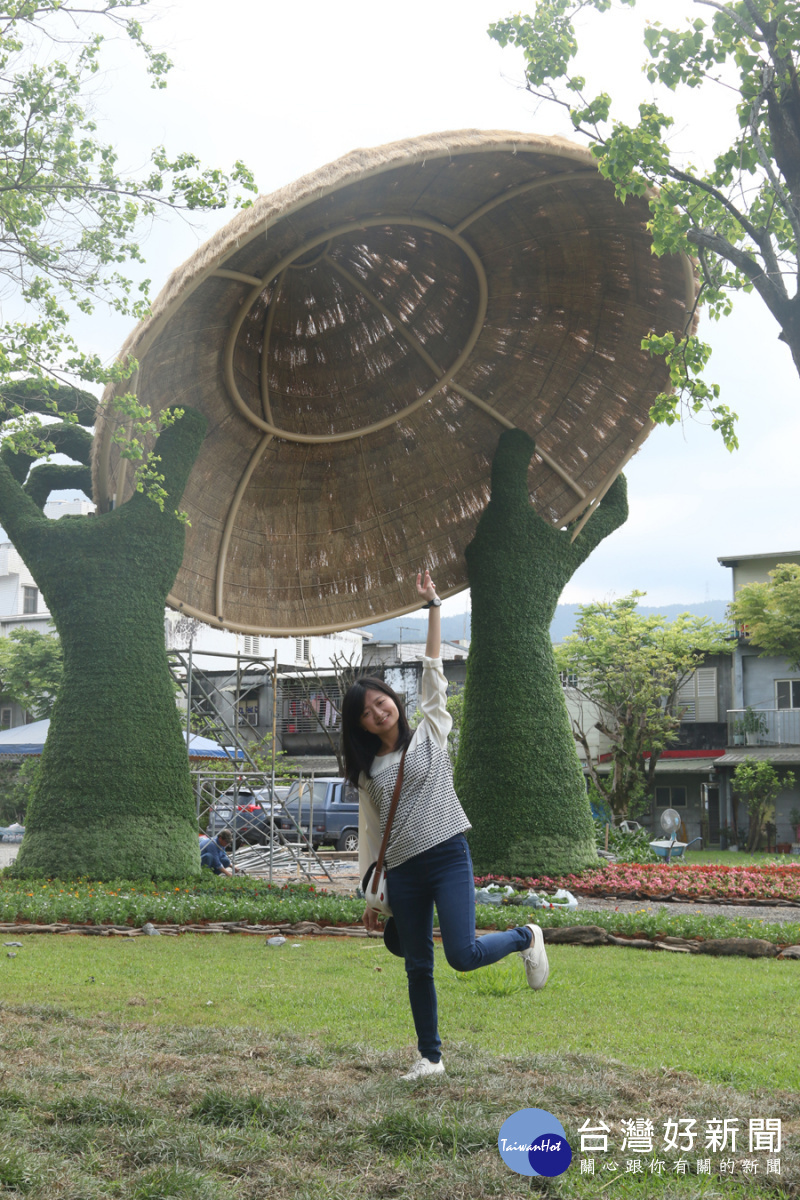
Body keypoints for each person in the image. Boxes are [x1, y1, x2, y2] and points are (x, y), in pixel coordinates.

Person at [342, 570, 549, 1081]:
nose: (378, 711)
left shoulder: (432, 728)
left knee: (462, 954)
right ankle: (430, 1058)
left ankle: (526, 936)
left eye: (381, 701)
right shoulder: (367, 773)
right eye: (367, 712)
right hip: (406, 872)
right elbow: (372, 838)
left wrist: (433, 606)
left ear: (393, 700)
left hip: (448, 853)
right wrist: (373, 901)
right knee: (417, 966)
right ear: (360, 725)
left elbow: (434, 669)